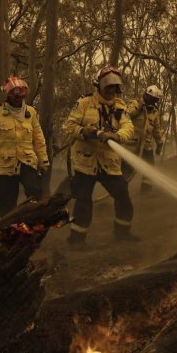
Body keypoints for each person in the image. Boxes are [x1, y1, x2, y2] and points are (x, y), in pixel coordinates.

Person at [63, 66, 136, 245]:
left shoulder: (120, 107)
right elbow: (68, 126)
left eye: (114, 87)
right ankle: (77, 240)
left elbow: (129, 128)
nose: (111, 91)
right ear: (99, 86)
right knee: (83, 202)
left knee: (123, 198)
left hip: (109, 163)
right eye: (108, 87)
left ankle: (122, 234)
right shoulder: (84, 103)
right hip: (85, 161)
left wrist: (116, 136)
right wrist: (84, 131)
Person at [0, 75, 49, 217]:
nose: (18, 98)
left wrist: (43, 160)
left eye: (21, 94)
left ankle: (33, 225)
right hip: (5, 165)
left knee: (35, 191)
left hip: (27, 161)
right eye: (14, 95)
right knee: (7, 204)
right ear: (8, 95)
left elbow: (38, 138)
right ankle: (9, 232)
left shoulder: (31, 113)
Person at [123, 84, 165, 191]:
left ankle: (146, 193)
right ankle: (122, 192)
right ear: (146, 96)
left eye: (155, 100)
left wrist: (159, 144)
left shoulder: (154, 112)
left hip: (146, 146)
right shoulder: (134, 104)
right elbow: (127, 116)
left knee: (149, 169)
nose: (153, 102)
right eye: (152, 99)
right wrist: (140, 108)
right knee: (127, 169)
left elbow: (156, 130)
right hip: (132, 145)